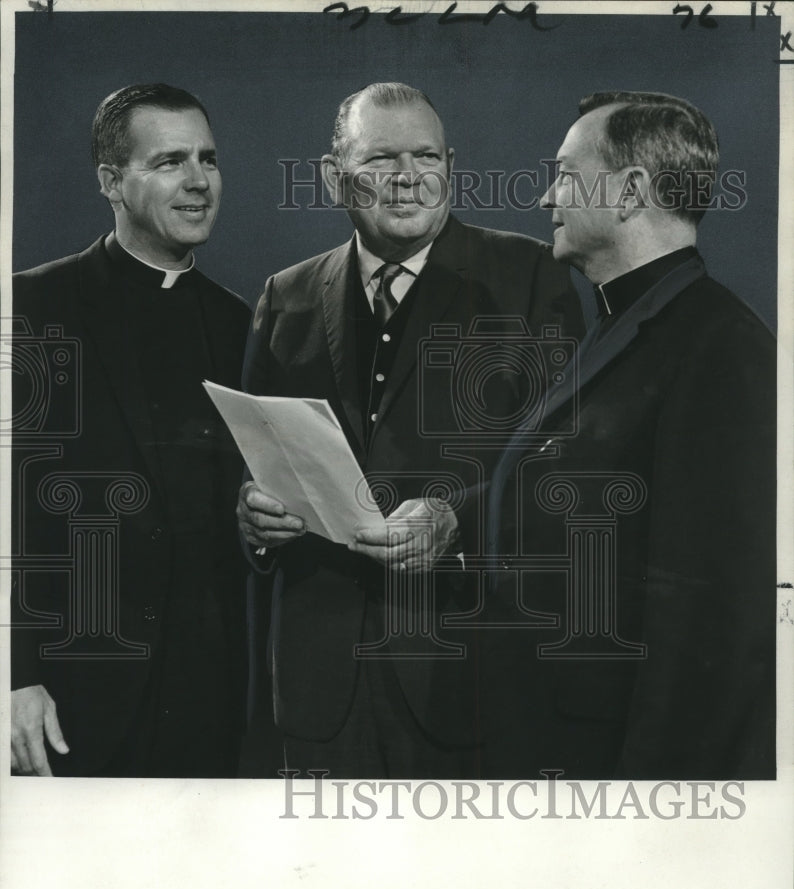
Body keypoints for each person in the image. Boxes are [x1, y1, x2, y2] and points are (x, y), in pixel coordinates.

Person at [237, 81, 584, 779]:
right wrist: (251, 515)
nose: (407, 179)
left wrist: (457, 522)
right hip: (317, 678)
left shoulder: (528, 276)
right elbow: (250, 464)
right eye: (380, 160)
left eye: (426, 156)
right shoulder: (286, 295)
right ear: (336, 177)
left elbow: (569, 461)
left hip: (466, 666)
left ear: (450, 164)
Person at [483, 91, 775, 779]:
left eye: (564, 173)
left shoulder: (722, 349)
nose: (547, 195)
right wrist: (449, 514)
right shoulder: (631, 325)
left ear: (631, 191)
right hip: (556, 742)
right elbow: (586, 488)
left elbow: (709, 617)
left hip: (620, 772)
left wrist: (648, 809)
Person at [11, 83, 251, 777]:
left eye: (208, 158)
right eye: (171, 161)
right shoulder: (30, 306)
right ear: (111, 181)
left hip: (208, 700)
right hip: (65, 696)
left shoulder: (246, 325)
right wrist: (12, 677)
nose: (199, 181)